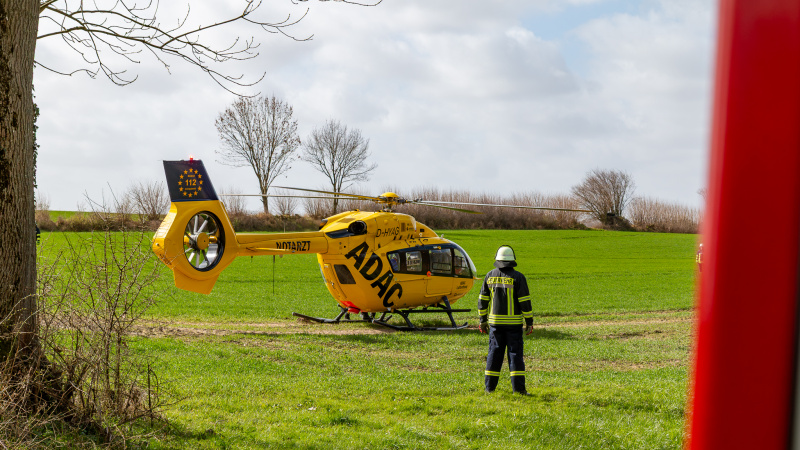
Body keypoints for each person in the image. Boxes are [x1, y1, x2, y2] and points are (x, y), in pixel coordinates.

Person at [478, 245, 534, 394]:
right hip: (514, 325)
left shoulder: (489, 276)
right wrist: (529, 322)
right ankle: (519, 390)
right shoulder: (518, 277)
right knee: (515, 356)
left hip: (495, 325)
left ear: (497, 260)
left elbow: (482, 300)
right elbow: (525, 302)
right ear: (512, 260)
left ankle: (489, 389)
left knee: (494, 355)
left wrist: (482, 320)